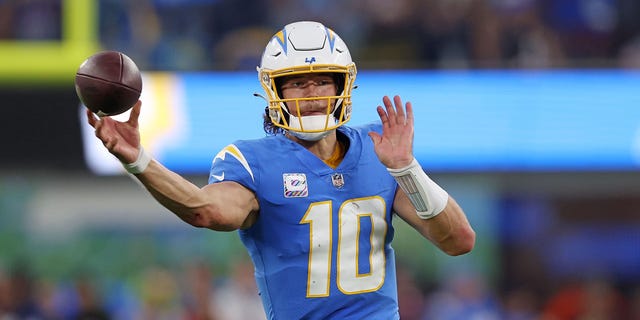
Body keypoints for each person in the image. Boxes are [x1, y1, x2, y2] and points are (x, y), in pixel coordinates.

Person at [86, 20, 476, 320]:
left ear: (344, 85)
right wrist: (140, 160)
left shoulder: (380, 149)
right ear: (275, 92)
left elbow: (458, 240)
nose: (311, 95)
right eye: (296, 84)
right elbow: (206, 210)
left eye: (323, 81)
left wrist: (407, 169)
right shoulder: (251, 161)